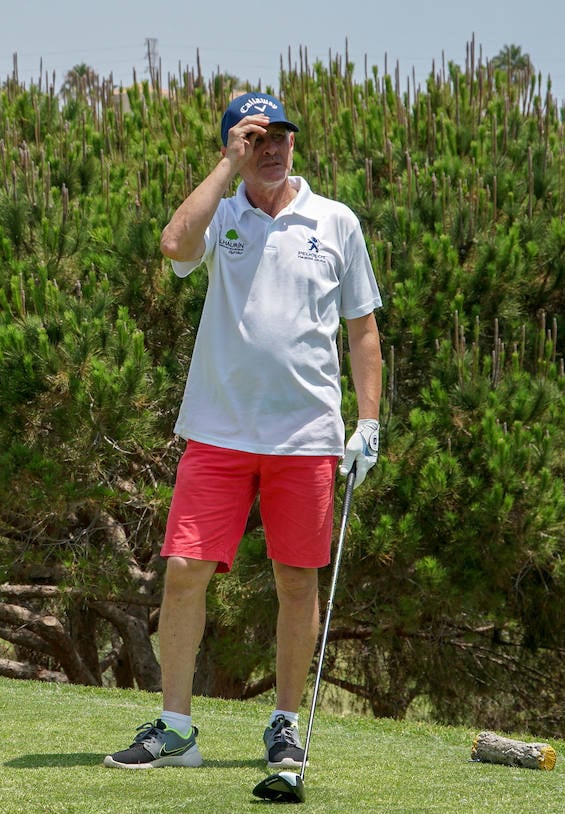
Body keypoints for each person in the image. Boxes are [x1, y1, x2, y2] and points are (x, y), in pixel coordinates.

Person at [104, 91, 384, 771]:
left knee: (296, 581)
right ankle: (175, 731)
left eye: (280, 135)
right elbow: (173, 244)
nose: (273, 148)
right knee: (183, 571)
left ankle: (285, 726)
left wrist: (369, 422)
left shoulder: (336, 221)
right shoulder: (221, 214)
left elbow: (363, 328)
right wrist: (224, 169)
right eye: (255, 138)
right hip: (220, 429)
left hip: (307, 435)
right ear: (234, 145)